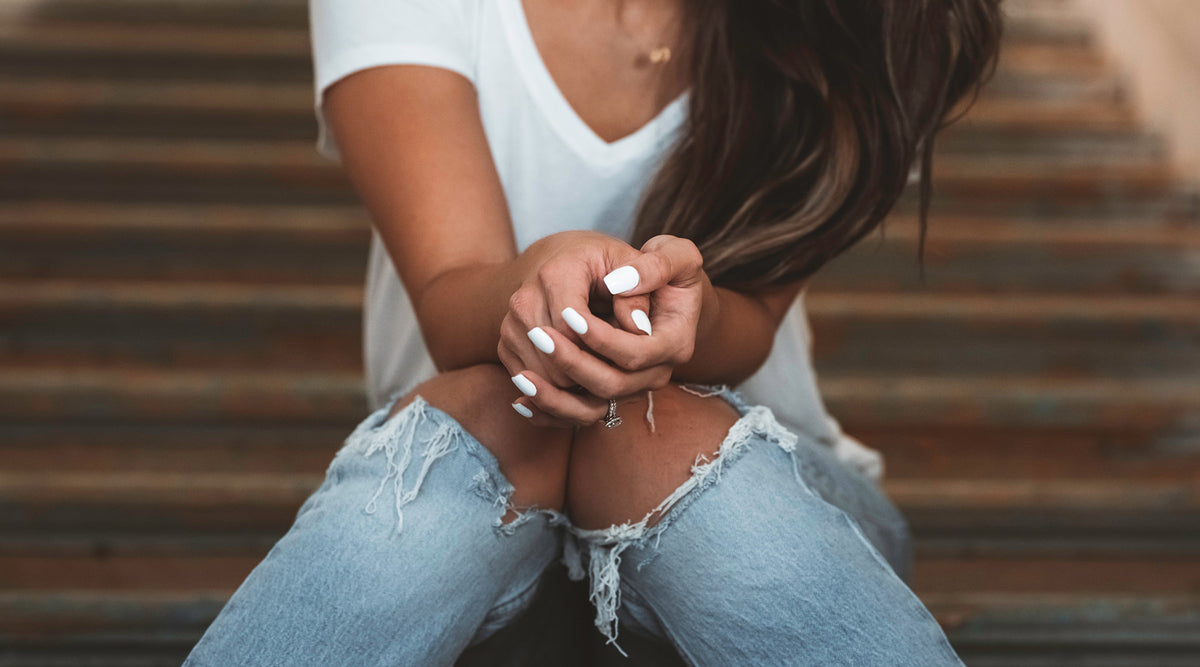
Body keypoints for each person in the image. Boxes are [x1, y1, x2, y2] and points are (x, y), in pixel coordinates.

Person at [184, 0, 1002, 664]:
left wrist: (694, 313)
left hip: (768, 500)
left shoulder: (847, 22)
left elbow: (751, 325)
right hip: (473, 500)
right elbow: (448, 296)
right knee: (507, 411)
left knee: (640, 430)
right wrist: (546, 272)